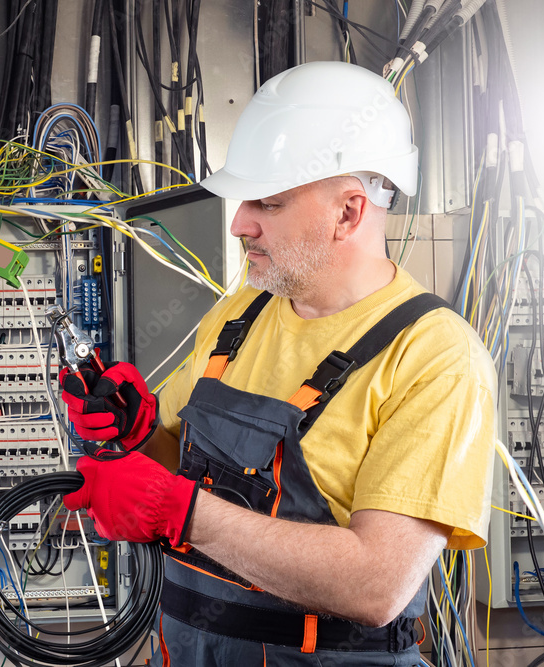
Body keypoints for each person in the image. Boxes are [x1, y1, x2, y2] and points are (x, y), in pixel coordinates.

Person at [59, 61, 496, 666]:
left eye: (268, 202)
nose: (239, 224)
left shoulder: (434, 356)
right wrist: (139, 435)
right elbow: (188, 473)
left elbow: (378, 584)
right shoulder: (241, 316)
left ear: (348, 212)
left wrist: (179, 514)